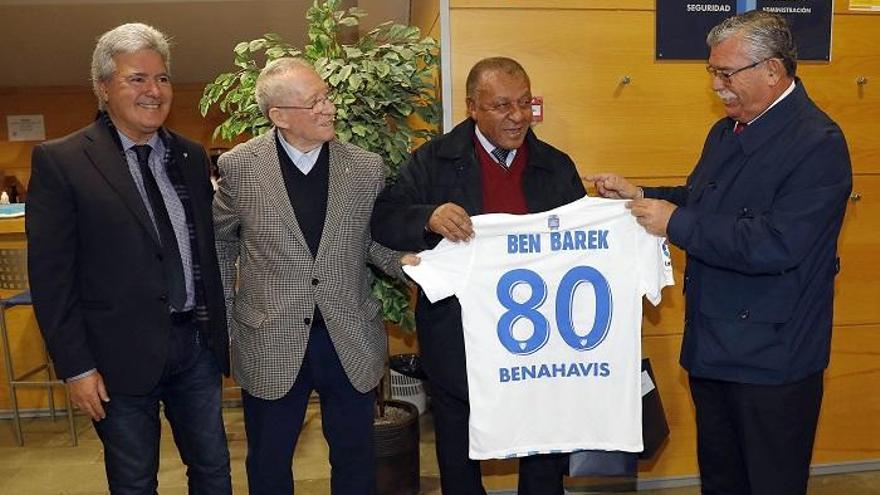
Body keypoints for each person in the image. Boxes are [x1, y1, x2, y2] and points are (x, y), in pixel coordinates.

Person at [588, 11, 852, 495]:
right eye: (713, 72)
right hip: (714, 345)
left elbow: (776, 243)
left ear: (772, 71)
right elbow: (704, 200)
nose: (717, 87)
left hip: (774, 360)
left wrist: (675, 222)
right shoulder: (728, 129)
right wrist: (641, 195)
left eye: (726, 73)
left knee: (769, 482)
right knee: (722, 480)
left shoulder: (818, 143)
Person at [27, 23, 232, 494]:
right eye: (136, 79)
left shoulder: (190, 155)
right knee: (135, 482)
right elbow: (52, 278)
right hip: (115, 361)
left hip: (195, 350)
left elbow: (205, 249)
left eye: (161, 79)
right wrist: (76, 368)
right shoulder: (62, 161)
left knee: (214, 473)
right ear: (103, 87)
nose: (153, 91)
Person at [370, 56, 586, 495]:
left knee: (543, 436)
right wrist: (427, 217)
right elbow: (384, 219)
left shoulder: (556, 165)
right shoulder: (431, 162)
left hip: (540, 332)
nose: (518, 116)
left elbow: (581, 239)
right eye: (503, 105)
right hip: (458, 331)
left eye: (525, 103)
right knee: (458, 440)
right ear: (472, 107)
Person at [213, 57, 414, 494]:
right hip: (270, 336)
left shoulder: (364, 168)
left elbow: (369, 240)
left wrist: (408, 264)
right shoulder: (240, 167)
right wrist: (228, 327)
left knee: (356, 459)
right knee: (268, 462)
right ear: (279, 116)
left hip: (348, 334)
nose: (330, 108)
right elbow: (221, 245)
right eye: (315, 102)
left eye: (327, 96)